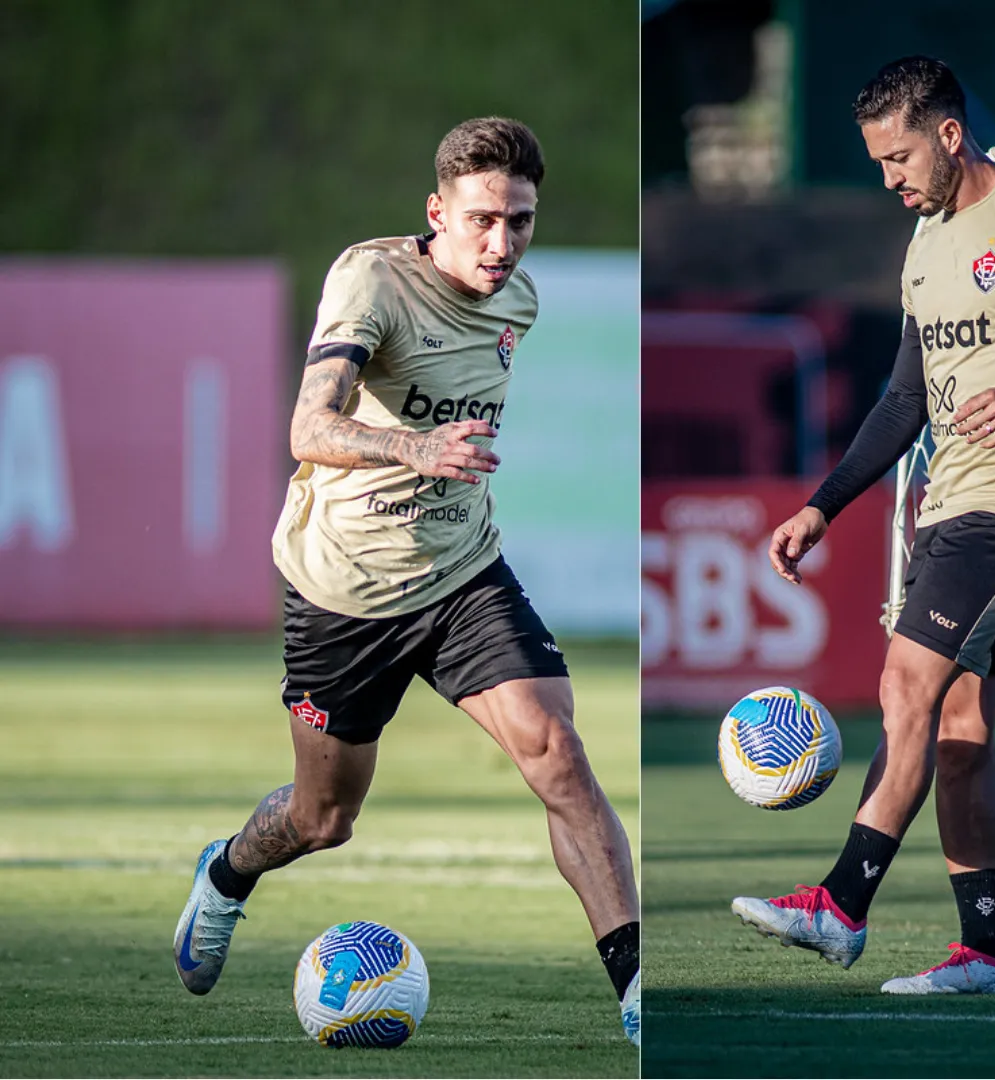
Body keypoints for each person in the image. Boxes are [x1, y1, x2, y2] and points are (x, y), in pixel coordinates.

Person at [169, 117, 641, 1044]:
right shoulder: (371, 281)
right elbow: (308, 429)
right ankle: (226, 873)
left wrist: (438, 468)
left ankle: (636, 996)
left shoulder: (519, 303)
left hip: (463, 573)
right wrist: (414, 446)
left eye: (521, 221)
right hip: (343, 592)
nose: (501, 243)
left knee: (559, 753)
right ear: (437, 213)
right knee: (322, 818)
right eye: (481, 220)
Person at [733, 56, 995, 995]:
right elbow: (902, 403)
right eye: (878, 162)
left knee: (905, 685)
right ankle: (989, 953)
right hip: (952, 505)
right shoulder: (925, 244)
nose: (891, 179)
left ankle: (842, 904)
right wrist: (820, 505)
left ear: (950, 135)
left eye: (899, 156)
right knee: (959, 726)